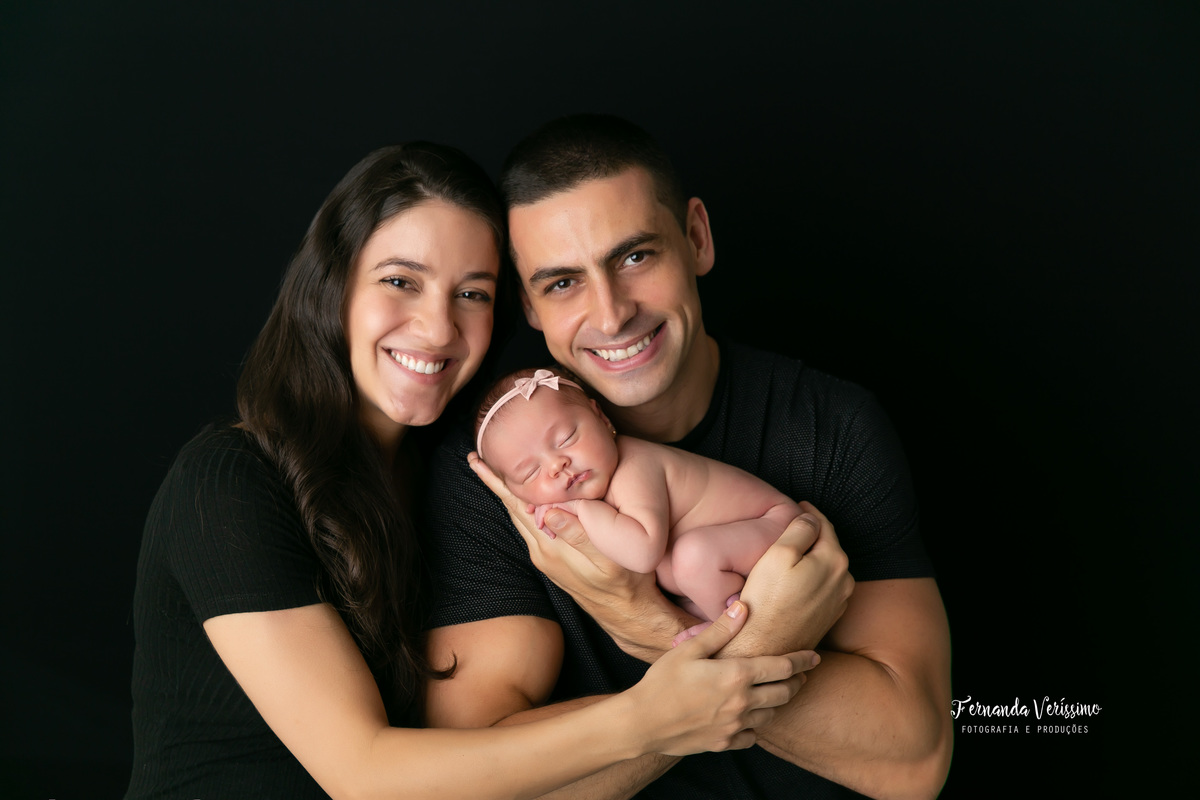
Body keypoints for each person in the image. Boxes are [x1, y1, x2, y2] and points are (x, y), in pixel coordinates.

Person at [124, 142, 820, 800]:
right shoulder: (228, 483)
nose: (437, 328)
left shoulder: (455, 473)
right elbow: (363, 777)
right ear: (333, 284)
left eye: (473, 294)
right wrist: (650, 718)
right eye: (401, 281)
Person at [423, 116, 953, 799]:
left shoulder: (831, 426)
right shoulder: (499, 475)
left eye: (634, 257)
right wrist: (745, 647)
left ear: (696, 238)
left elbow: (915, 763)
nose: (611, 315)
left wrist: (652, 627)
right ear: (527, 303)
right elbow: (481, 786)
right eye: (562, 284)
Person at [473, 366, 801, 632]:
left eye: (566, 438)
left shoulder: (634, 466)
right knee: (686, 572)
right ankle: (716, 619)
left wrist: (578, 507)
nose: (557, 465)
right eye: (530, 473)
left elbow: (643, 554)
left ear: (601, 418)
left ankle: (730, 631)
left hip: (776, 525)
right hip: (734, 562)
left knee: (693, 557)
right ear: (518, 496)